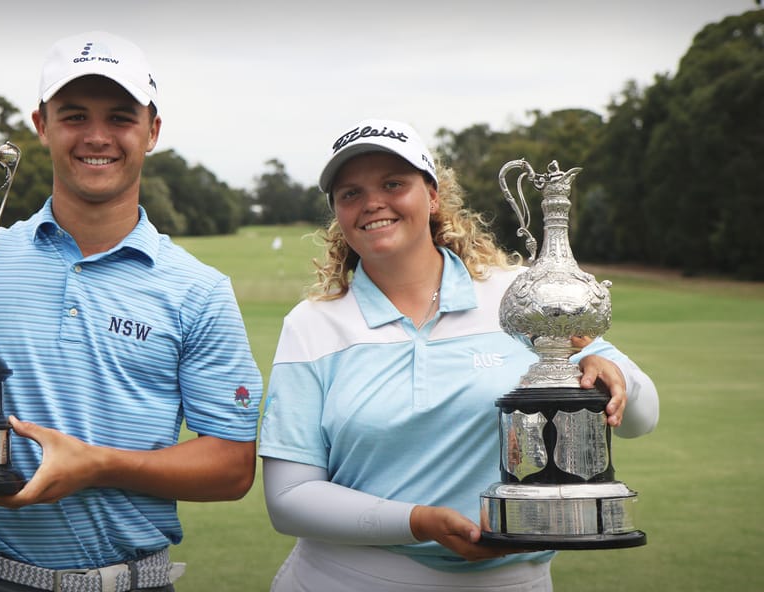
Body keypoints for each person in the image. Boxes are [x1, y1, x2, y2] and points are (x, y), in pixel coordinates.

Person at [0, 31, 262, 592]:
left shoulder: (199, 289)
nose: (97, 137)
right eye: (74, 116)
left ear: (153, 131)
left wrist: (98, 463)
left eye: (121, 117)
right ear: (41, 125)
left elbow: (232, 467)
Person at [257, 118, 660, 591]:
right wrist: (418, 522)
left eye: (393, 183)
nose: (372, 203)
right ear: (338, 213)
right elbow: (289, 497)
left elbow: (642, 416)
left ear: (432, 196)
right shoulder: (312, 325)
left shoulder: (521, 296)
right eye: (350, 193)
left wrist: (611, 376)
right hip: (347, 578)